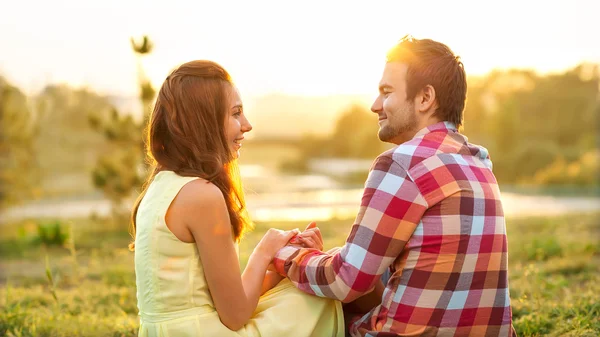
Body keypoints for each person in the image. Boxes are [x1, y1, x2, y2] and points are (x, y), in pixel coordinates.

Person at [273, 36, 516, 336]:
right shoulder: (479, 162)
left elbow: (345, 280)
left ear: (425, 98)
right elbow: (390, 271)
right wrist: (328, 257)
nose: (376, 105)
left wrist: (284, 255)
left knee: (306, 303)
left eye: (386, 92)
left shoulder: (403, 163)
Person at [130, 60, 344, 337]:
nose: (247, 125)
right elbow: (234, 316)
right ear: (203, 121)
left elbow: (225, 299)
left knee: (297, 286)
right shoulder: (203, 195)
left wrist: (283, 268)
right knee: (317, 296)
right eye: (236, 113)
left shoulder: (160, 185)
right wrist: (264, 251)